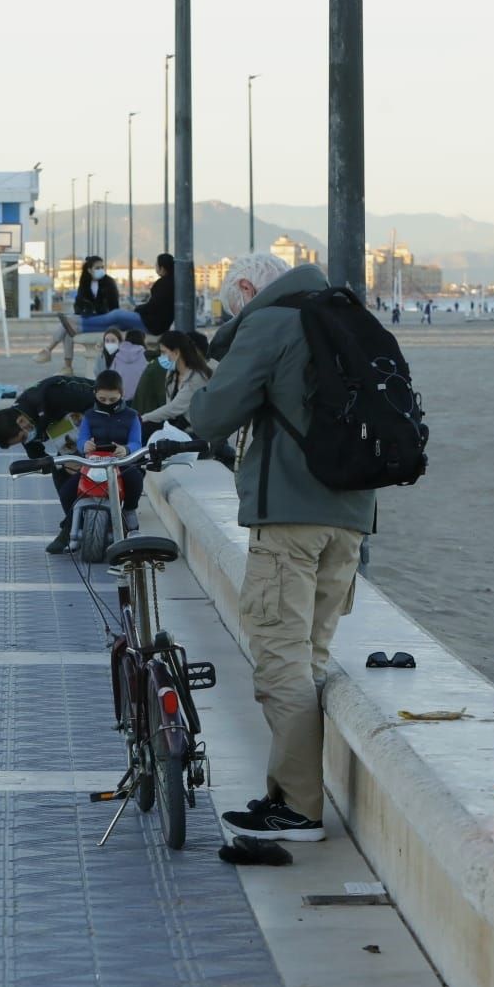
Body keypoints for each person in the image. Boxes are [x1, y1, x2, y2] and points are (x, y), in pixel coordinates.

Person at [185, 252, 369, 842]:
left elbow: (212, 415)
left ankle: (299, 808)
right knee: (309, 657)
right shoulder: (344, 314)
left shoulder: (270, 322)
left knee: (279, 663)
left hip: (289, 518)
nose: (231, 314)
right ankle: (287, 797)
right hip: (352, 515)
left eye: (228, 304)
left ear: (244, 287)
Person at [0, 373, 97, 554]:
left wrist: (83, 448)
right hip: (73, 437)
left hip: (97, 415)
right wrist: (61, 464)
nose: (26, 440)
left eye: (22, 438)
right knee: (60, 469)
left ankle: (76, 524)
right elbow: (38, 457)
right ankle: (72, 524)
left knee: (77, 466)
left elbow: (97, 403)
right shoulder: (23, 423)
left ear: (21, 422)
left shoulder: (51, 396)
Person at [35, 257, 145, 369]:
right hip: (87, 317)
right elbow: (78, 304)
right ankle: (66, 365)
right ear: (89, 270)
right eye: (97, 268)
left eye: (102, 267)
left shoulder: (109, 283)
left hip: (104, 320)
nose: (101, 270)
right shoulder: (84, 283)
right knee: (68, 329)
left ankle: (51, 352)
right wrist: (85, 308)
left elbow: (114, 309)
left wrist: (97, 309)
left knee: (67, 325)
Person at [74, 369, 145, 534]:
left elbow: (137, 442)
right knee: (68, 490)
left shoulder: (132, 416)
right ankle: (72, 525)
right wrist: (85, 446)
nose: (107, 403)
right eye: (102, 399)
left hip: (121, 463)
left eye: (113, 399)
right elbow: (81, 439)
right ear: (95, 394)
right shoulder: (89, 416)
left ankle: (129, 510)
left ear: (122, 394)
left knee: (135, 479)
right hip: (93, 464)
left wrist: (126, 449)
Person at [138, 329, 213, 439]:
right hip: (177, 428)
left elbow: (174, 408)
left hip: (195, 434)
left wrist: (144, 418)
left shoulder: (196, 377)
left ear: (177, 352)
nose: (161, 357)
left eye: (164, 352)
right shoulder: (172, 374)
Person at [136, 252, 176, 337]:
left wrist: (138, 309)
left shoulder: (164, 284)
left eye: (156, 265)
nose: (155, 268)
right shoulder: (170, 282)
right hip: (159, 324)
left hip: (153, 325)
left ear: (162, 269)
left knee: (117, 315)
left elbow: (153, 305)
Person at [108, 328, 149, 401]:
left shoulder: (117, 354)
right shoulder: (146, 356)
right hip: (140, 398)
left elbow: (111, 376)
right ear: (142, 339)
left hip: (120, 397)